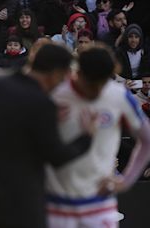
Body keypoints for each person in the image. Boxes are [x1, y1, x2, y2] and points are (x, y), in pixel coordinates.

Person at [0, 43, 96, 228]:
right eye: (63, 77)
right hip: (17, 200)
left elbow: (7, 125)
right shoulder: (41, 104)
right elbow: (57, 156)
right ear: (55, 73)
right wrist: (86, 137)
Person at [46, 45, 150, 228]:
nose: (97, 90)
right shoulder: (55, 95)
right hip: (57, 204)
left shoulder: (119, 96)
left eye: (102, 83)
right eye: (91, 84)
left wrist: (126, 181)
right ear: (77, 72)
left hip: (100, 204)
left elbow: (147, 140)